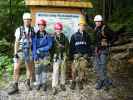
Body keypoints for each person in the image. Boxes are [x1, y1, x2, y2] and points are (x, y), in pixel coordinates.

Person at [8, 12, 34, 95]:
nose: (27, 21)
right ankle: (15, 86)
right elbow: (16, 42)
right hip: (20, 51)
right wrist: (15, 53)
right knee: (16, 68)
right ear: (23, 20)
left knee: (29, 68)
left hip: (29, 50)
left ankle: (28, 82)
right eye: (26, 19)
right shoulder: (19, 29)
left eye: (29, 20)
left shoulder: (33, 29)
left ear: (30, 21)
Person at [69, 15, 92, 90]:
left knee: (82, 70)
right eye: (81, 25)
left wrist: (88, 55)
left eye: (83, 25)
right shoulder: (74, 36)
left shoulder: (87, 36)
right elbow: (71, 47)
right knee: (74, 70)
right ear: (78, 26)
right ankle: (73, 81)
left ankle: (80, 81)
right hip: (76, 56)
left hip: (83, 56)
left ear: (85, 26)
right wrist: (72, 56)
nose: (82, 27)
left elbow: (89, 46)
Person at [93, 15, 113, 90]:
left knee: (103, 67)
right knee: (97, 67)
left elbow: (115, 36)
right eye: (96, 21)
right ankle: (106, 80)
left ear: (101, 21)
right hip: (97, 50)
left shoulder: (105, 29)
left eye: (98, 21)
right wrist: (85, 15)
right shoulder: (96, 28)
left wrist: (109, 43)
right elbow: (89, 23)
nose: (97, 23)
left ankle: (104, 83)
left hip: (104, 51)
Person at [32, 19, 53, 91]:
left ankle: (44, 83)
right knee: (38, 69)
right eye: (40, 25)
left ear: (45, 26)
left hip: (46, 54)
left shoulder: (47, 35)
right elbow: (34, 46)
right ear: (38, 26)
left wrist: (41, 49)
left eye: (43, 25)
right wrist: (35, 55)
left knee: (44, 69)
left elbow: (50, 45)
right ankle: (38, 83)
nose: (41, 27)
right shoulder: (35, 35)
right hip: (37, 55)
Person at [51, 22, 69, 95]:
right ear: (55, 30)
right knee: (55, 71)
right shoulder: (52, 38)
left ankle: (62, 83)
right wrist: (51, 57)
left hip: (63, 55)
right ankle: (54, 86)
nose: (58, 30)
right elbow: (51, 48)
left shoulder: (65, 37)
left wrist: (66, 55)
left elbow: (67, 47)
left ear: (61, 30)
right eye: (57, 29)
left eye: (59, 29)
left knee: (63, 70)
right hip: (56, 56)